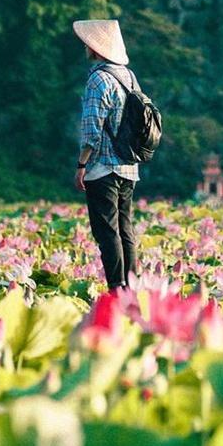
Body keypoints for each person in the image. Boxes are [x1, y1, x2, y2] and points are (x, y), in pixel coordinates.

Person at [72, 18, 139, 289]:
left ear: (96, 48)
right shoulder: (128, 76)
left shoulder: (99, 79)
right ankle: (132, 288)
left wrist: (81, 165)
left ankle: (116, 289)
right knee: (125, 229)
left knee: (107, 232)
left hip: (104, 169)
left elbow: (92, 130)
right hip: (129, 166)